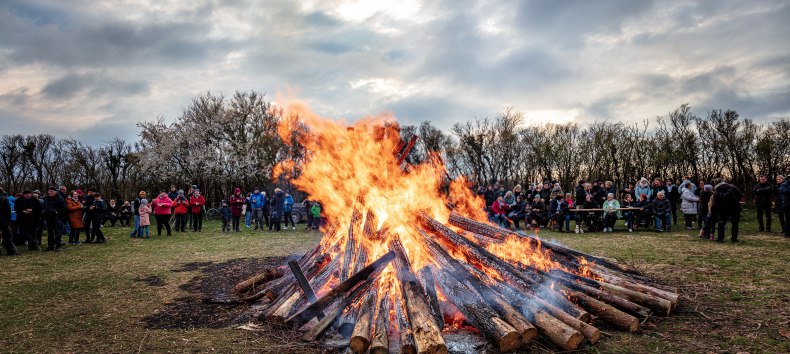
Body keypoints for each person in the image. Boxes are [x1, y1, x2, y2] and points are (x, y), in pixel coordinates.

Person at [42, 187, 66, 251]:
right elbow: (44, 206)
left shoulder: (60, 199)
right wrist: (43, 212)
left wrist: (58, 214)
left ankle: (58, 246)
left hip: (56, 218)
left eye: (51, 191)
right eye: (49, 191)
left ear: (55, 192)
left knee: (57, 232)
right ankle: (50, 246)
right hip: (48, 218)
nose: (50, 192)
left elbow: (63, 209)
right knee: (50, 233)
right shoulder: (46, 198)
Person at [0, 189, 19, 255]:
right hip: (3, 221)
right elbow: (7, 211)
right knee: (7, 236)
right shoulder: (4, 200)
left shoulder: (3, 199)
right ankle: (11, 251)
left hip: (3, 220)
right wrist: (7, 221)